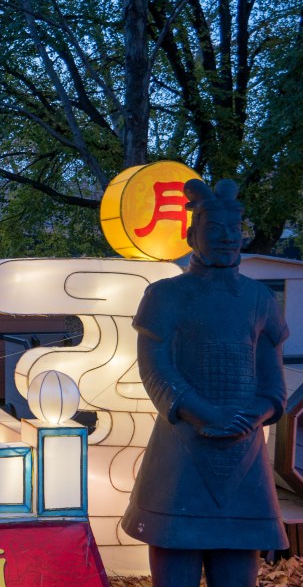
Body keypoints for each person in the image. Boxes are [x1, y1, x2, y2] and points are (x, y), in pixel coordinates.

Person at [121, 178, 288, 586]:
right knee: (175, 566)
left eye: (235, 229)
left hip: (244, 453)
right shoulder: (164, 295)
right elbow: (156, 370)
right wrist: (205, 414)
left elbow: (273, 384)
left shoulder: (260, 298)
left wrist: (252, 416)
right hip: (180, 451)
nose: (227, 237)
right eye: (215, 228)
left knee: (237, 573)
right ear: (191, 235)